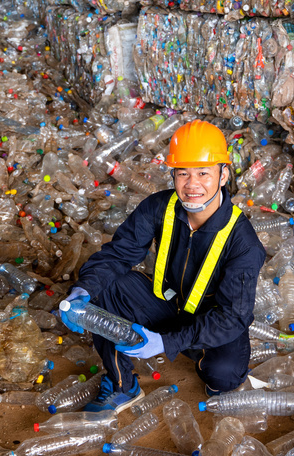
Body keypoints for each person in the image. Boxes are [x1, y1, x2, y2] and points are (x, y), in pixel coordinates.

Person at [59, 120, 266, 412]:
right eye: (183, 173)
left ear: (223, 175)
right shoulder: (159, 207)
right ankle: (123, 386)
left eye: (203, 173)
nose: (192, 185)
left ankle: (197, 354)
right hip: (166, 307)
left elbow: (233, 318)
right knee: (103, 285)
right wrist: (82, 289)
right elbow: (118, 255)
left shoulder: (243, 243)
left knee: (224, 375)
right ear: (173, 174)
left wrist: (165, 343)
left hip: (211, 323)